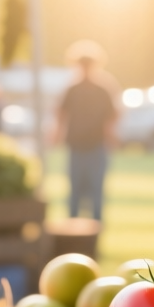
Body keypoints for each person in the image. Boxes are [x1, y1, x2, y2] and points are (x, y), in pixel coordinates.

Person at [57, 41, 120, 221]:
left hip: (96, 147)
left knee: (96, 194)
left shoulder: (103, 90)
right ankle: (72, 237)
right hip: (76, 147)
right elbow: (61, 114)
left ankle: (94, 240)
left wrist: (110, 136)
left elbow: (112, 116)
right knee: (74, 194)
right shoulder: (72, 90)